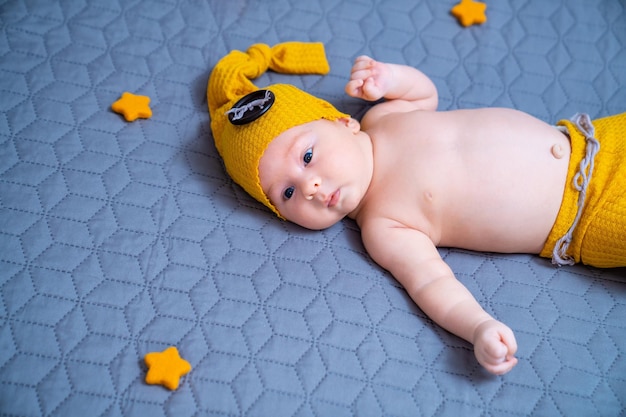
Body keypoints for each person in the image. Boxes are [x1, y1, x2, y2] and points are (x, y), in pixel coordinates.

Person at [207, 42, 626, 375]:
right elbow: (430, 283)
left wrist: (390, 77)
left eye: (308, 156)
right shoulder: (382, 224)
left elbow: (426, 93)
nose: (310, 186)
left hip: (595, 140)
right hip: (590, 214)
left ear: (340, 121)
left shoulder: (383, 116)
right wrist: (478, 327)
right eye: (288, 195)